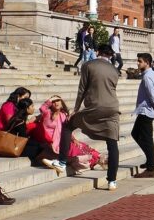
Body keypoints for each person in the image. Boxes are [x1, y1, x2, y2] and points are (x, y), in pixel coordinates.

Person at [47, 44, 122, 190]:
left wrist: (75, 109)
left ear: (98, 52)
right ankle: (112, 180)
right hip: (112, 108)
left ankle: (61, 162)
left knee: (68, 126)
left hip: (95, 106)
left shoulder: (89, 65)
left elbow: (82, 88)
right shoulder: (114, 70)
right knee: (112, 143)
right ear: (110, 55)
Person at [33, 96, 103, 173]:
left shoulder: (64, 115)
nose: (56, 103)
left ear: (62, 103)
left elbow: (67, 130)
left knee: (81, 146)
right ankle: (92, 160)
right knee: (76, 151)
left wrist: (74, 139)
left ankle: (98, 159)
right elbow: (42, 108)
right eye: (54, 101)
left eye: (58, 100)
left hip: (63, 140)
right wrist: (50, 100)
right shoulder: (47, 114)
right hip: (51, 143)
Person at [132, 53, 154, 178]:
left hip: (146, 111)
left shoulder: (147, 77)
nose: (137, 63)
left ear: (147, 62)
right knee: (137, 134)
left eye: (140, 61)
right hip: (146, 110)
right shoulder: (151, 74)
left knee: (144, 138)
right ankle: (151, 160)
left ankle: (151, 168)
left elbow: (152, 95)